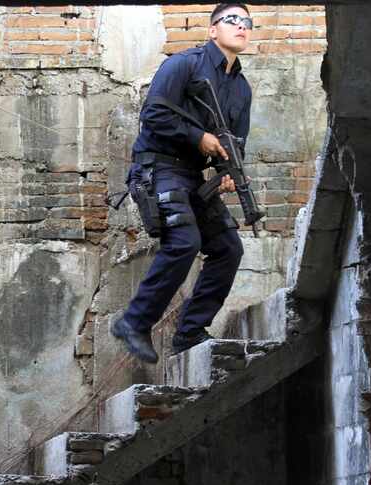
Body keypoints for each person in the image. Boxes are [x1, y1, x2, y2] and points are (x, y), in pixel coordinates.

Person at [111, 3, 253, 363]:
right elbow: (153, 114)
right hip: (158, 166)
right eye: (232, 20)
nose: (242, 26)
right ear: (212, 30)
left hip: (192, 175)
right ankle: (133, 322)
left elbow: (236, 143)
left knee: (228, 248)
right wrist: (198, 137)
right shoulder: (184, 64)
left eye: (247, 22)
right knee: (185, 241)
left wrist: (228, 174)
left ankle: (189, 333)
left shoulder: (242, 89)